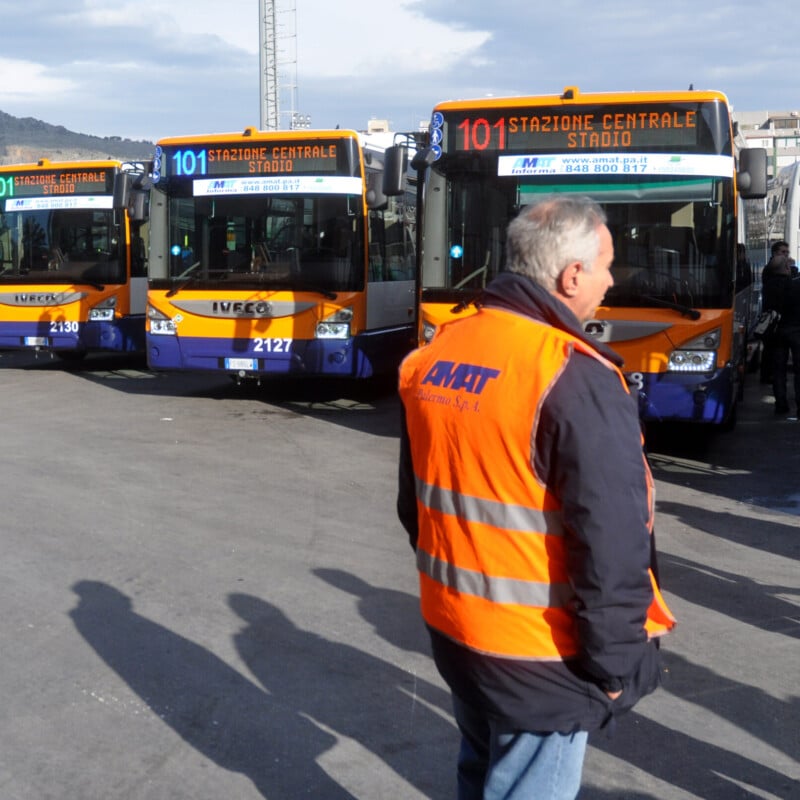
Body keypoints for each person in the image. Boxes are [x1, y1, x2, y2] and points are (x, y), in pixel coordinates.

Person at [397, 196, 675, 800]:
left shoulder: (438, 351)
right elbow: (612, 542)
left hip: (457, 630)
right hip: (540, 653)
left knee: (479, 772)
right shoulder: (572, 374)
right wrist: (615, 666)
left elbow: (414, 506)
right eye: (606, 265)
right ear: (571, 274)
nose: (609, 280)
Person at [762, 253, 800, 416]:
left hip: (777, 332)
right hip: (796, 330)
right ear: (786, 268)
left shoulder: (768, 286)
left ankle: (781, 404)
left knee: (779, 369)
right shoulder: (795, 284)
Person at [760, 241, 791, 384]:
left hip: (780, 319)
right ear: (775, 254)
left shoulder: (784, 275)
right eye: (782, 252)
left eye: (787, 253)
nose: (785, 256)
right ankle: (768, 376)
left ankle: (769, 375)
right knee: (771, 350)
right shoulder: (771, 271)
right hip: (773, 319)